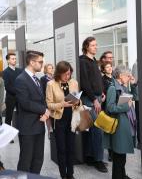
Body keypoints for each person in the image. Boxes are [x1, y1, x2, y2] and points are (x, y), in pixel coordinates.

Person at [15, 51, 50, 174]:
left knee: (38, 159)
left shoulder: (37, 79)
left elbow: (42, 99)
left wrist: (46, 113)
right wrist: (44, 110)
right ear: (31, 62)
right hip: (27, 127)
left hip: (39, 124)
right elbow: (25, 103)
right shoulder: (21, 79)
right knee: (26, 160)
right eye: (40, 62)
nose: (42, 64)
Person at [46, 61, 80, 179]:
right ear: (59, 73)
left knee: (71, 148)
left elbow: (78, 100)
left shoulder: (74, 82)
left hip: (72, 120)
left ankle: (70, 174)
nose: (68, 76)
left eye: (69, 73)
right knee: (61, 149)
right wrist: (62, 104)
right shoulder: (51, 84)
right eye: (65, 74)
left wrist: (78, 102)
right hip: (58, 120)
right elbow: (49, 104)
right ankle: (63, 175)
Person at [79, 37, 108, 173]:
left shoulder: (94, 61)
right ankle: (98, 160)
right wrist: (94, 99)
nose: (96, 47)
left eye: (96, 45)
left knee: (93, 130)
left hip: (97, 97)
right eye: (93, 45)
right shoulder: (83, 61)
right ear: (86, 46)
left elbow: (96, 79)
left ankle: (90, 157)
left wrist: (102, 92)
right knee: (98, 129)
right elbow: (85, 83)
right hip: (90, 99)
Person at [104, 66, 134, 179]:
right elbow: (110, 107)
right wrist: (126, 106)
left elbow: (134, 97)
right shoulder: (113, 88)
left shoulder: (122, 87)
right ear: (121, 76)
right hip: (118, 126)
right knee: (118, 156)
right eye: (128, 75)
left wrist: (133, 84)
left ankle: (122, 175)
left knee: (122, 155)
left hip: (124, 125)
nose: (129, 77)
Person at [2, 53, 22, 130]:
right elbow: (7, 87)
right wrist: (19, 91)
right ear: (8, 60)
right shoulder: (5, 72)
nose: (14, 60)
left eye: (15, 58)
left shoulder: (20, 70)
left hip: (20, 97)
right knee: (9, 117)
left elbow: (22, 83)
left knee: (21, 115)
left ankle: (21, 131)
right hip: (11, 98)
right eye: (12, 59)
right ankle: (8, 134)